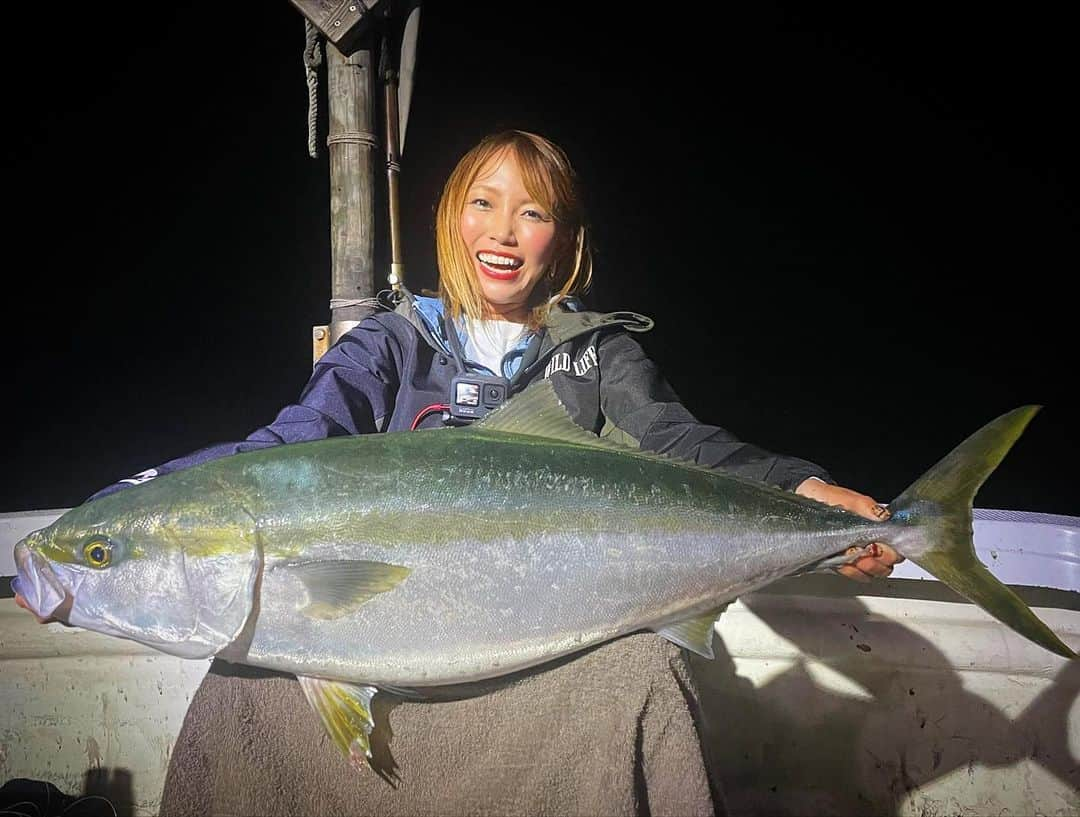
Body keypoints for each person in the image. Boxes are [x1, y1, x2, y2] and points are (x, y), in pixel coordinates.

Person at [17, 130, 900, 815]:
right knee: (236, 693)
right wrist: (138, 499)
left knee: (646, 684)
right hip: (397, 665)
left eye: (533, 211)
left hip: (559, 654)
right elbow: (294, 438)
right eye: (484, 202)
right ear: (451, 217)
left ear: (566, 242)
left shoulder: (598, 358)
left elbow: (682, 445)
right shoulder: (393, 345)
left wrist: (802, 493)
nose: (504, 230)